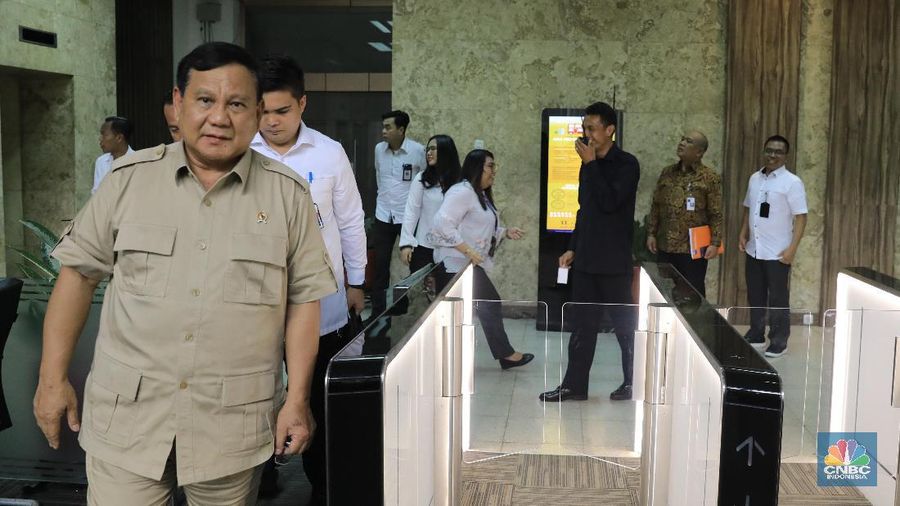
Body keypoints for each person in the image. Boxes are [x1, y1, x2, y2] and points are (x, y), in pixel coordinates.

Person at [32, 42, 337, 504]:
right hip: (127, 422)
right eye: (205, 100)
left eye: (237, 104)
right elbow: (77, 277)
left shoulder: (287, 196)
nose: (219, 117)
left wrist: (297, 400)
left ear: (257, 113)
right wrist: (51, 379)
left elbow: (302, 303)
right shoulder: (128, 180)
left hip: (231, 429)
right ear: (178, 102)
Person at [250, 54, 366, 504]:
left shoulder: (329, 152)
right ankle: (261, 478)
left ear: (302, 104)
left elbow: (350, 221)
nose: (271, 121)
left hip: (322, 300)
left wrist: (356, 282)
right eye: (262, 111)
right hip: (256, 302)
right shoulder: (241, 151)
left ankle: (322, 486)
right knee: (258, 395)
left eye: (282, 111)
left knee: (317, 397)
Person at [540, 101, 640, 402]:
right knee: (582, 327)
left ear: (610, 130)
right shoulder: (588, 165)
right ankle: (574, 386)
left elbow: (610, 202)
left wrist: (592, 165)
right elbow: (584, 210)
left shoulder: (627, 164)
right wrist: (572, 246)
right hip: (586, 259)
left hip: (614, 261)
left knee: (624, 328)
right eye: (584, 128)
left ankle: (633, 382)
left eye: (592, 129)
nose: (587, 135)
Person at [429, 149, 533, 370]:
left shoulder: (479, 194)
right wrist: (468, 250)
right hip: (455, 263)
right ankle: (504, 354)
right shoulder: (462, 192)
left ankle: (499, 354)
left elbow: (478, 227)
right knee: (487, 303)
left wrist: (505, 232)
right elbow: (441, 223)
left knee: (477, 307)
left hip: (466, 263)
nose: (494, 171)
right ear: (477, 167)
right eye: (490, 166)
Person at [739, 134, 807, 358]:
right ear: (764, 151)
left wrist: (792, 250)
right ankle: (757, 333)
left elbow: (801, 218)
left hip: (778, 253)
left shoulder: (792, 182)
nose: (772, 155)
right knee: (755, 294)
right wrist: (743, 233)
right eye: (769, 150)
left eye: (778, 152)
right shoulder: (754, 178)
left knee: (778, 298)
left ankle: (779, 340)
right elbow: (748, 208)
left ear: (786, 155)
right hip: (754, 248)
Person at [646, 130, 723, 296]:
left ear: (699, 152)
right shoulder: (667, 173)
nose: (682, 143)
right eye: (682, 139)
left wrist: (715, 243)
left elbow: (716, 213)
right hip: (666, 244)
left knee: (692, 295)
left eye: (688, 141)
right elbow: (656, 205)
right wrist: (651, 233)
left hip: (692, 249)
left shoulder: (710, 177)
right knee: (665, 292)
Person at [371, 110, 426, 317]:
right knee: (380, 266)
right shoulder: (379, 149)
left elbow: (424, 181)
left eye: (388, 127)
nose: (383, 131)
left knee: (412, 265)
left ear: (401, 130)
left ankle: (410, 310)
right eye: (383, 127)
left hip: (408, 218)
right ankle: (378, 313)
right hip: (383, 215)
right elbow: (379, 176)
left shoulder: (418, 151)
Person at [398, 134, 460, 282]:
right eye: (428, 149)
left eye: (433, 149)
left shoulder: (460, 182)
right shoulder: (421, 178)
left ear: (445, 151)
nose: (429, 153)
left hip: (451, 249)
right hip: (423, 247)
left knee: (448, 291)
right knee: (421, 290)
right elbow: (411, 211)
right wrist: (406, 243)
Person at [91, 116, 134, 193]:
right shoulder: (101, 162)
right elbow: (97, 193)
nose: (100, 139)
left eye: (104, 135)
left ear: (119, 138)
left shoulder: (138, 161)